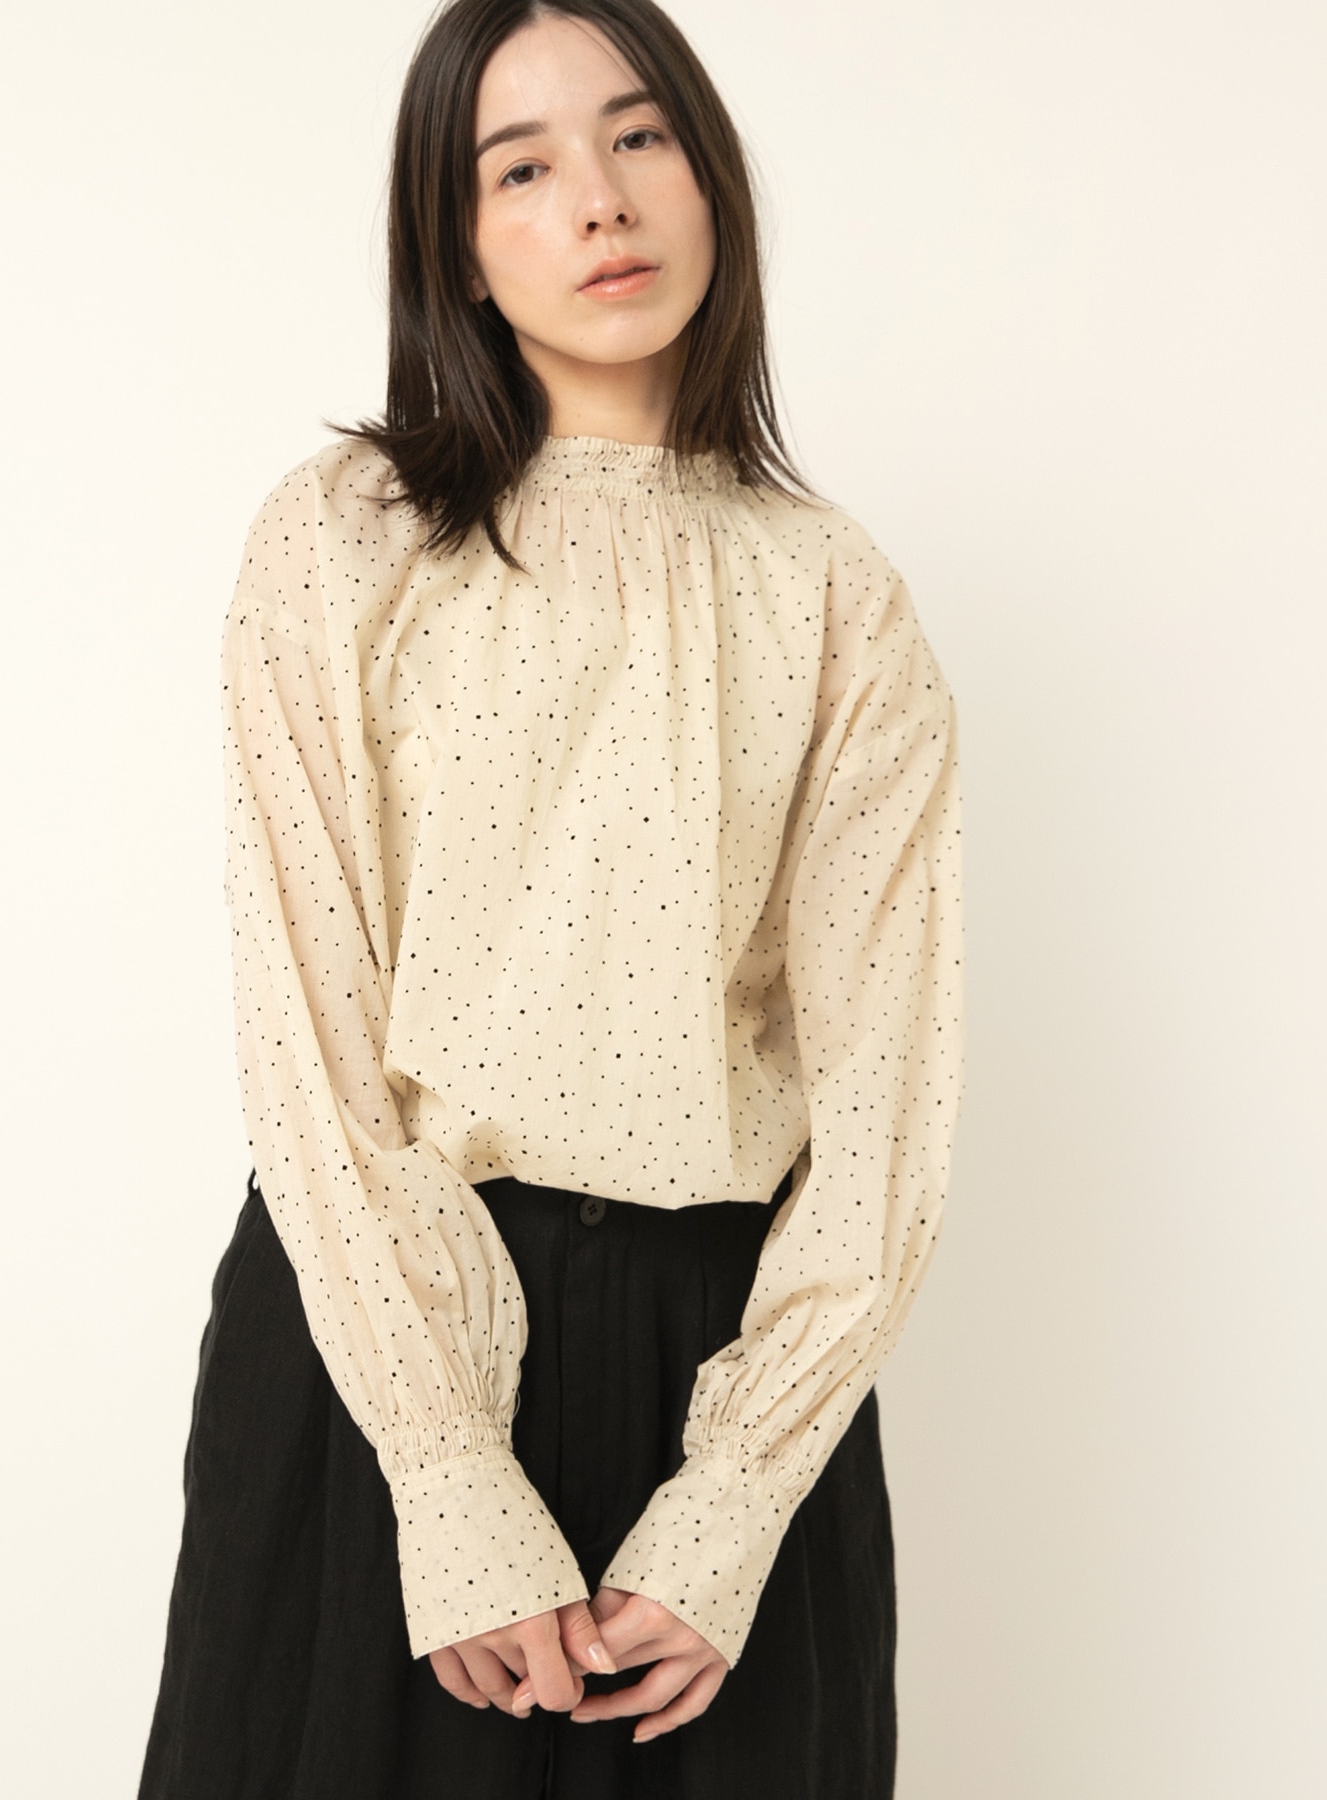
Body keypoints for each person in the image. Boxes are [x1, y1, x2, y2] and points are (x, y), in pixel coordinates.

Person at [138, 0, 964, 1794]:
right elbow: (308, 1025)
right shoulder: (345, 537)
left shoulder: (836, 596)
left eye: (640, 135)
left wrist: (731, 1503)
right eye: (520, 168)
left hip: (719, 1372)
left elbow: (887, 1111)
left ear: (710, 173)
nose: (600, 199)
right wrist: (444, 1467)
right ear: (455, 243)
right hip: (378, 1337)